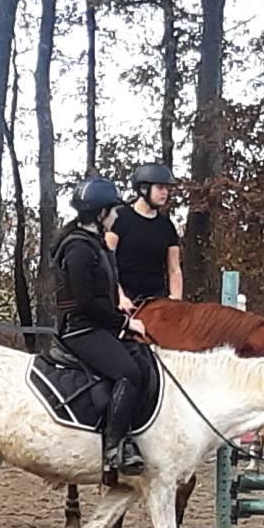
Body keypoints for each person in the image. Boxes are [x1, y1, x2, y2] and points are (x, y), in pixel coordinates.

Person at [52, 176, 152, 481]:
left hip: (98, 325)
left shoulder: (96, 245)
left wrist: (119, 308)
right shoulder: (79, 249)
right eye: (114, 210)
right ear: (100, 213)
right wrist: (125, 322)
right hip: (80, 330)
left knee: (142, 359)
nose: (117, 215)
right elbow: (84, 303)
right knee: (128, 372)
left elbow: (101, 295)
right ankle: (114, 446)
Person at [105, 162, 183, 305]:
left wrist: (176, 301)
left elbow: (174, 269)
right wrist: (120, 297)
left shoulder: (166, 226)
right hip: (124, 300)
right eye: (160, 187)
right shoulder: (120, 219)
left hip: (157, 300)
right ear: (144, 189)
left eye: (167, 188)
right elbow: (107, 263)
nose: (165, 192)